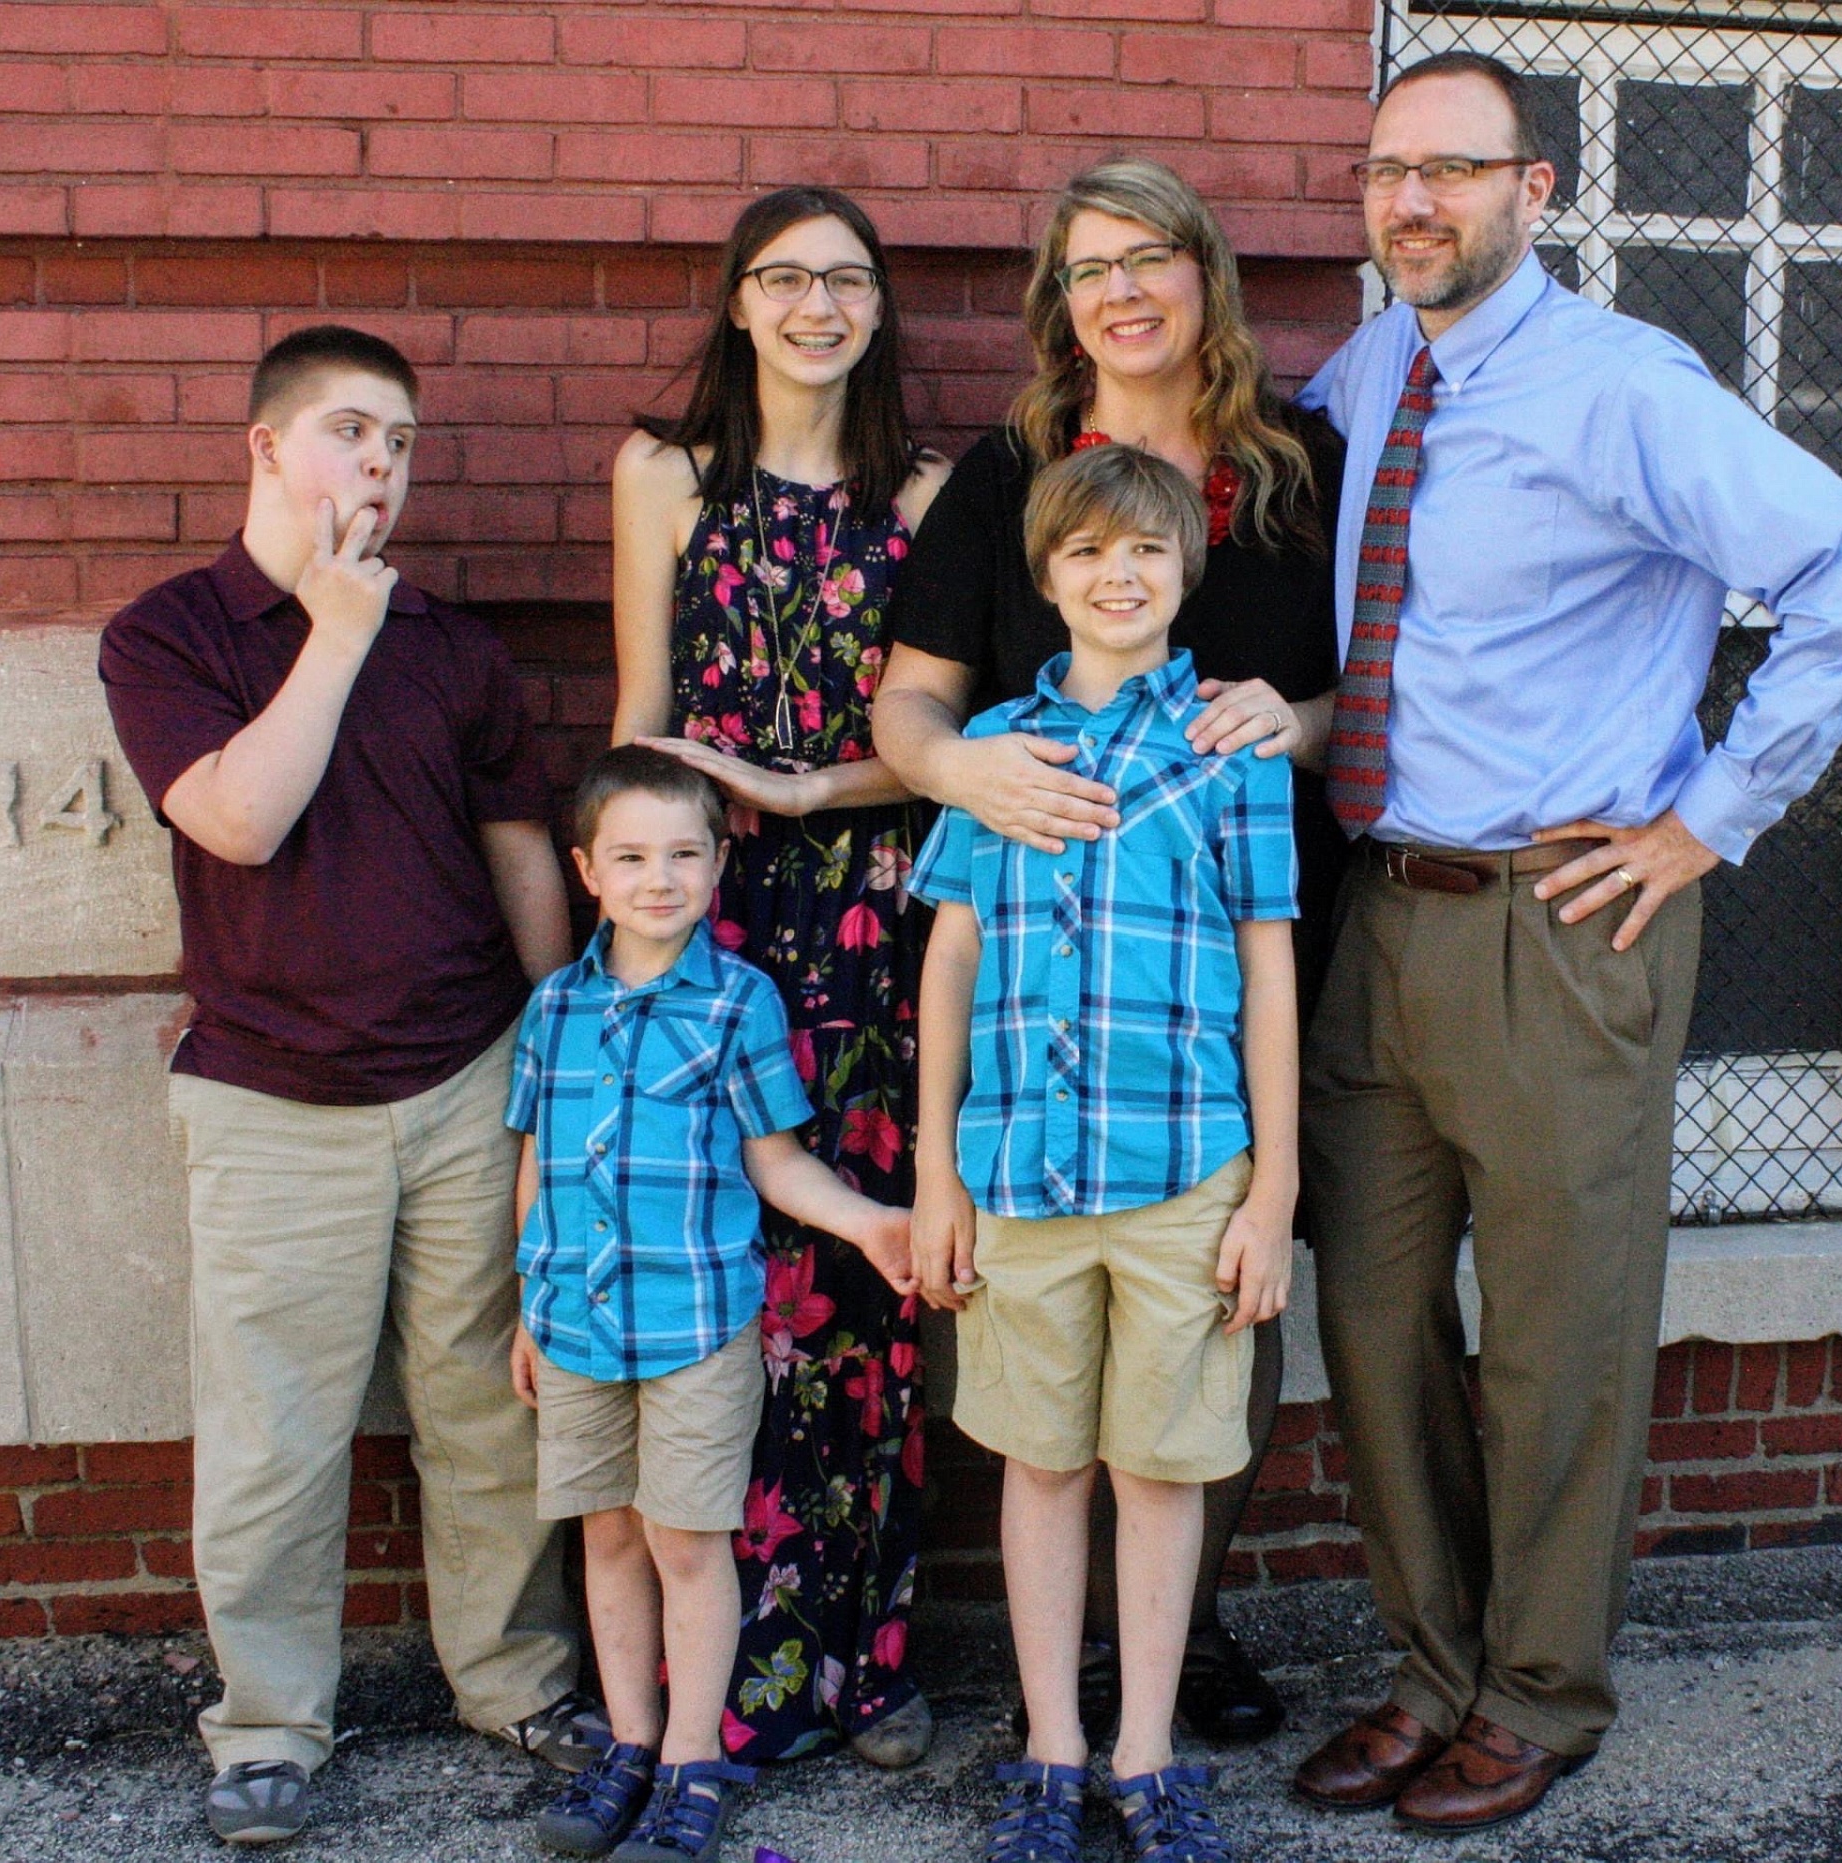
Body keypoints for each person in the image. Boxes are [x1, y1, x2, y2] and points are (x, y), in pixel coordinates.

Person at [1291, 51, 1842, 1835]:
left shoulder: (1623, 388)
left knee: (1556, 1339)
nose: (1414, 204)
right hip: (1377, 918)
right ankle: (1433, 1671)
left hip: (1557, 929)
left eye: (1456, 172)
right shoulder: (1374, 363)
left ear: (1536, 186)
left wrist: (1704, 822)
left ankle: (1541, 1691)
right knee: (1379, 1319)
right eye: (1387, 172)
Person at [98, 325, 602, 1847]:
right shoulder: (171, 635)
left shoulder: (454, 646)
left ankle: (514, 1678)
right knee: (273, 1425)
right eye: (347, 432)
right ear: (262, 447)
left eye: (400, 441)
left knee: (489, 1409)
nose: (379, 466)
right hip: (270, 1094)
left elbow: (523, 853)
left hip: (467, 1079)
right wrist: (331, 629)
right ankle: (264, 1724)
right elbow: (237, 822)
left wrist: (561, 1048)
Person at [874, 156, 1342, 1743]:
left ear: (1206, 274)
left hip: (1223, 928)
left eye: (1153, 258)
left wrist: (1296, 723)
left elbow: (1357, 693)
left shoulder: (1297, 470)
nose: (1124, 290)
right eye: (1088, 269)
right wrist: (966, 772)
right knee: (1047, 1410)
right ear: (1058, 305)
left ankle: (1174, 1647)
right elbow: (912, 701)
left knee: (1206, 1317)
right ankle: (1062, 1706)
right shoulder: (1009, 478)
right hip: (1030, 929)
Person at [910, 443, 1300, 1863]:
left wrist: (1274, 1185)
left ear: (1184, 568)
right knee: (1042, 1460)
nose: (1117, 575)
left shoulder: (1223, 748)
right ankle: (1051, 1745)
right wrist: (937, 1172)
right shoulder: (998, 748)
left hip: (1182, 1172)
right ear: (1047, 573)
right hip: (1019, 1172)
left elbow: (1268, 971)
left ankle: (1146, 1748)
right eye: (1087, 553)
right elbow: (949, 956)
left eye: (1144, 551)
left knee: (1157, 1465)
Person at [608, 187, 950, 1767]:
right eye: (787, 277)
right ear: (739, 302)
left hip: (875, 915)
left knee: (871, 1279)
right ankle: (730, 1672)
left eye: (849, 279)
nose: (820, 303)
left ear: (879, 307)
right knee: (730, 1278)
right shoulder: (666, 476)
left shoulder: (930, 492)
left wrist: (816, 791)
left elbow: (947, 745)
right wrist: (629, 958)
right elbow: (642, 722)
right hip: (715, 921)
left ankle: (865, 1657)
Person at [507, 747, 916, 1861]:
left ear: (718, 862)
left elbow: (777, 1164)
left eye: (683, 854)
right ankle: (629, 1745)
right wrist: (523, 1310)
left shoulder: (740, 1002)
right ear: (588, 870)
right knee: (606, 1539)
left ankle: (694, 1757)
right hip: (579, 1329)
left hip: (696, 1331)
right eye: (632, 857)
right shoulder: (555, 1010)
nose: (659, 878)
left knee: (687, 1544)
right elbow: (538, 1166)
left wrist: (869, 1220)